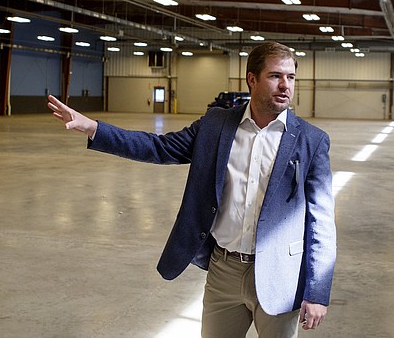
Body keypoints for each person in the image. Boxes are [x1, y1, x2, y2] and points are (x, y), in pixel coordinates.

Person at [47, 41, 336, 337]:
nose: (285, 85)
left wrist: (317, 291)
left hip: (280, 275)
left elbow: (321, 223)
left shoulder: (311, 140)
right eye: (276, 76)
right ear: (252, 79)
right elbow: (159, 147)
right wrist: (93, 128)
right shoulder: (217, 124)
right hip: (224, 269)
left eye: (291, 77)